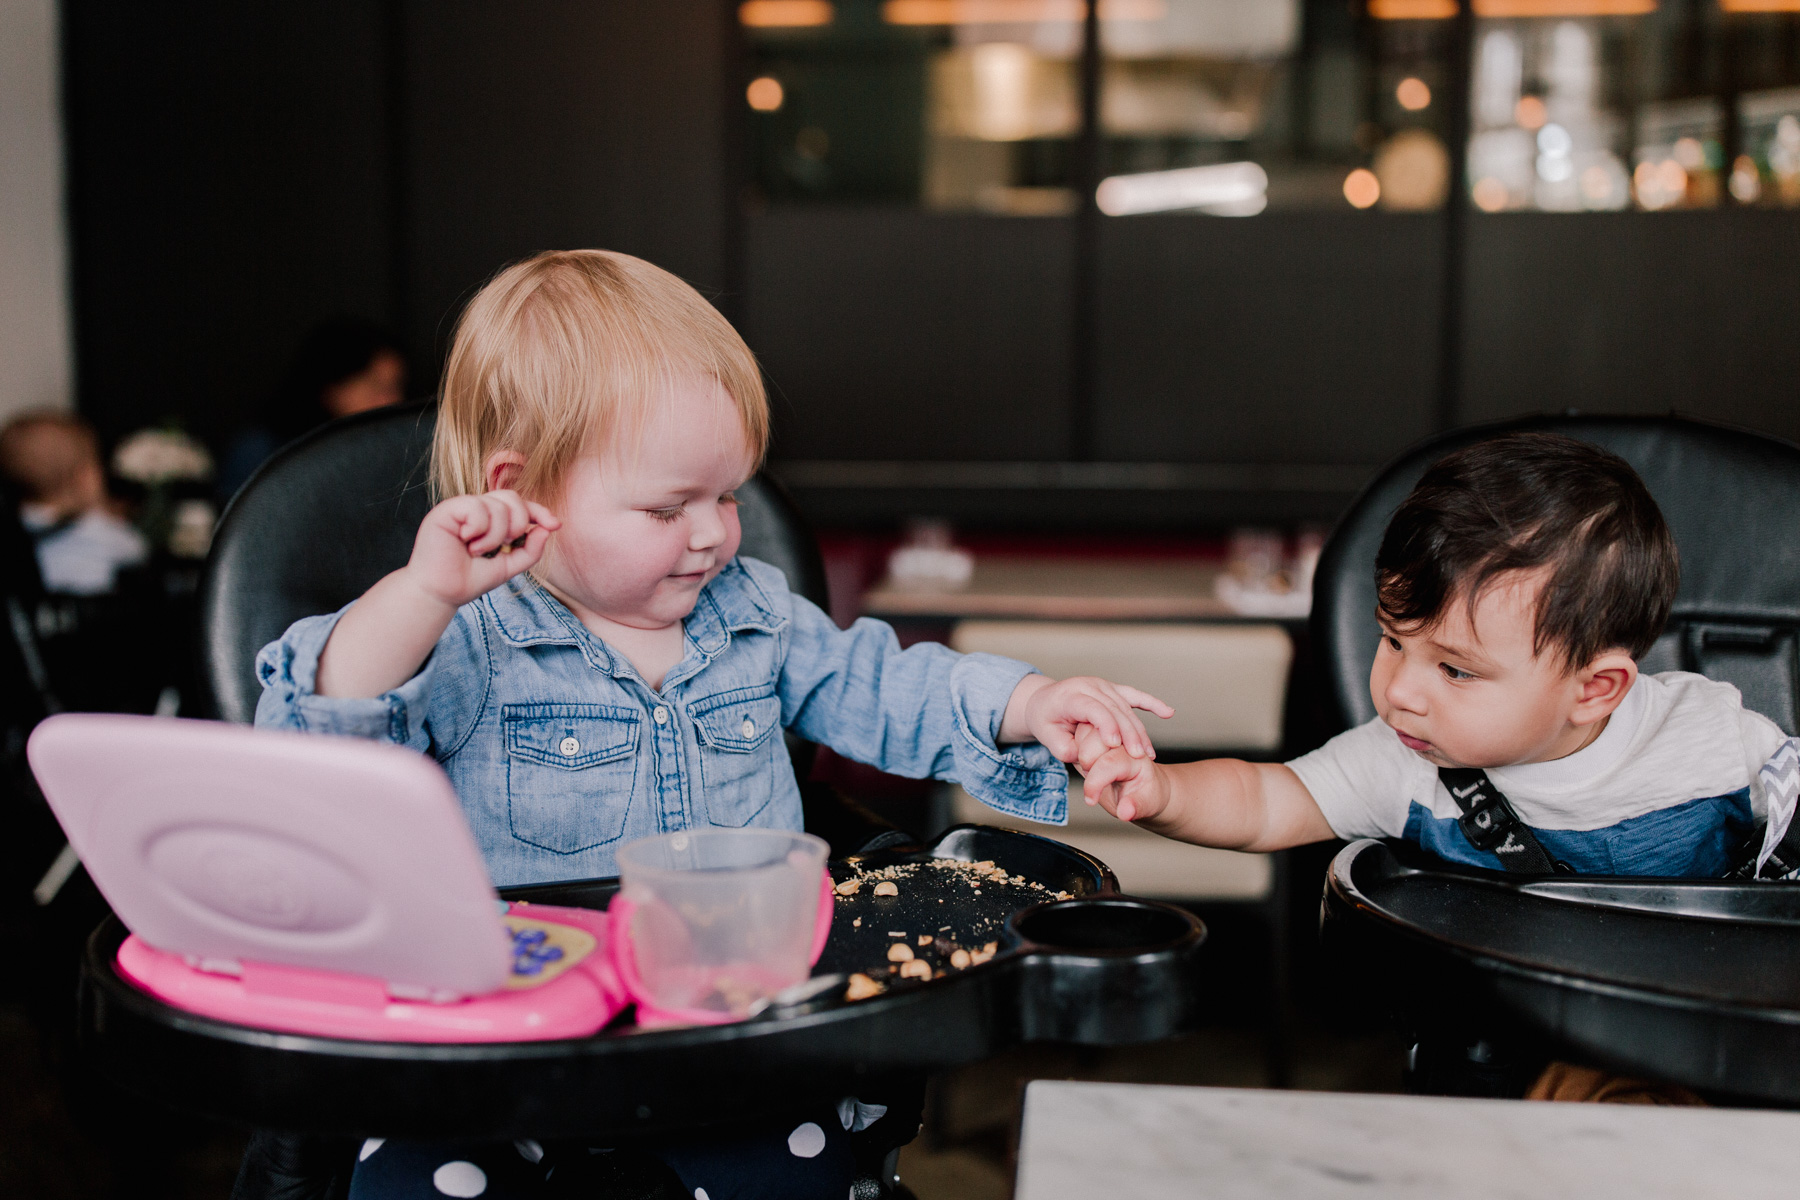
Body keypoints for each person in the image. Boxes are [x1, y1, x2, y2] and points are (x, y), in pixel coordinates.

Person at [255, 249, 1169, 1199]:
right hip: (510, 1043)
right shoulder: (466, 639)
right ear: (520, 491)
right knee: (409, 1180)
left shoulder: (752, 614)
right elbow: (325, 737)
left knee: (795, 1172)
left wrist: (1026, 705)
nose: (711, 534)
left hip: (733, 1026)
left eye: (726, 495)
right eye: (666, 507)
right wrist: (421, 593)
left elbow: (885, 687)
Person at [1078, 431, 1795, 880]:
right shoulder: (1403, 764)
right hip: (1504, 1034)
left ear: (1596, 689)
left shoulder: (1712, 742)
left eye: (1454, 670)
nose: (1399, 694)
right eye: (1393, 641)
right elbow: (1268, 802)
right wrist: (1164, 793)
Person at [216, 316, 408, 501]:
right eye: (376, 387)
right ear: (333, 387)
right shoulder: (261, 451)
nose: (390, 401)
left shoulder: (394, 455)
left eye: (396, 387)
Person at [0, 410, 148, 595]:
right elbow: (137, 551)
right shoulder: (97, 531)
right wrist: (104, 512)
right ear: (83, 478)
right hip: (93, 615)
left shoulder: (15, 529)